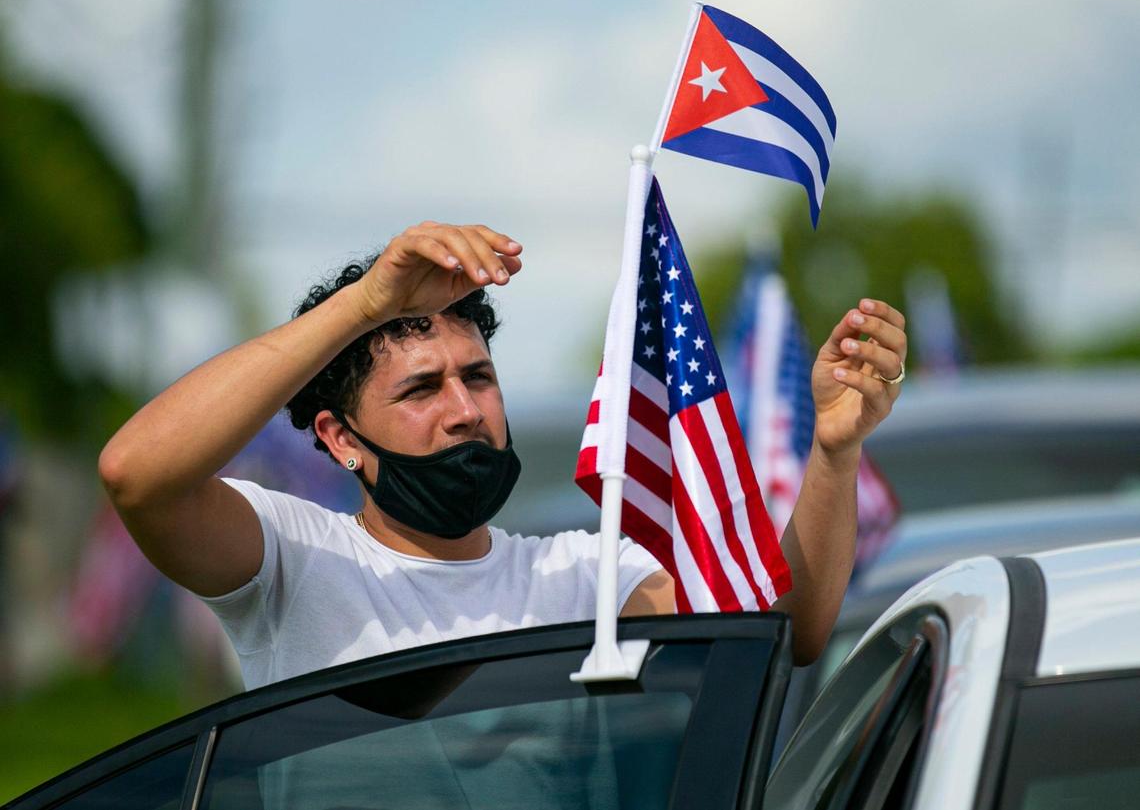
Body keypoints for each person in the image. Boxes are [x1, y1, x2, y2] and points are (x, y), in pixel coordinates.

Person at [99, 222, 908, 690]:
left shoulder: (580, 578)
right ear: (339, 438)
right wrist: (368, 303)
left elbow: (784, 626)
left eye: (478, 377)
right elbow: (139, 474)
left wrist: (833, 453)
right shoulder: (294, 560)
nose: (464, 411)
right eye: (421, 390)